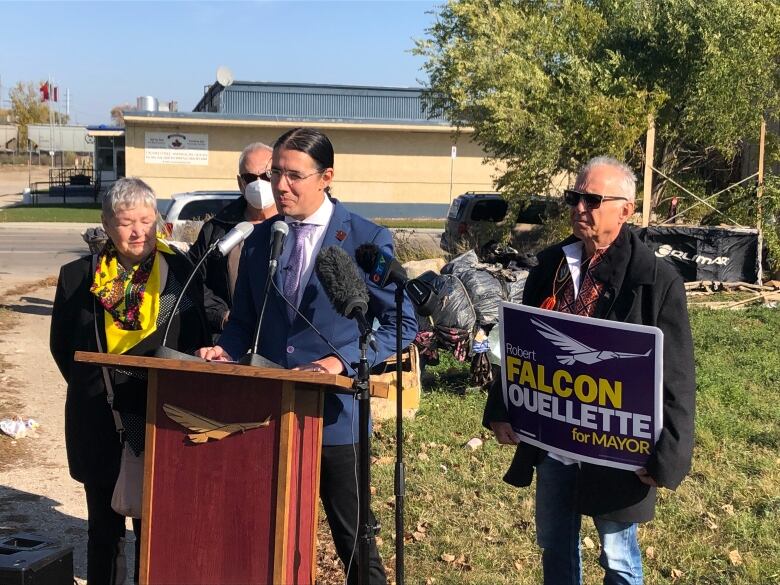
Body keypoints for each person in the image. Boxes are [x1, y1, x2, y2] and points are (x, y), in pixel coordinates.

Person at [198, 127, 418, 584]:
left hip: (336, 417)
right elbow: (243, 321)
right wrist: (226, 348)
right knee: (267, 534)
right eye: (276, 172)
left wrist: (341, 360)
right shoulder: (261, 240)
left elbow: (403, 324)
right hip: (268, 415)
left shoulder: (364, 239)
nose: (280, 185)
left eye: (293, 175)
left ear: (326, 177)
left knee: (353, 541)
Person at [483, 156, 696, 584]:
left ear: (626, 210)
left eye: (592, 199)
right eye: (575, 197)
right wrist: (501, 408)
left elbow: (675, 377)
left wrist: (666, 457)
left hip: (616, 448)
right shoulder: (550, 267)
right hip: (554, 440)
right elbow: (522, 345)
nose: (580, 207)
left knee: (617, 558)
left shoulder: (655, 280)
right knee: (555, 545)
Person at [50, 177, 210, 584]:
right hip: (99, 416)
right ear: (106, 224)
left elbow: (196, 341)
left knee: (154, 529)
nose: (138, 230)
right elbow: (62, 348)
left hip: (160, 414)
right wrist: (104, 386)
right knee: (103, 529)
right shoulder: (76, 277)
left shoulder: (180, 271)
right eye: (126, 221)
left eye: (145, 219)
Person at [189, 142, 278, 338]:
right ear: (240, 183)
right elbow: (192, 279)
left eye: (267, 175)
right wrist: (222, 315)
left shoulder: (295, 224)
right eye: (250, 178)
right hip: (230, 338)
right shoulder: (217, 229)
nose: (259, 183)